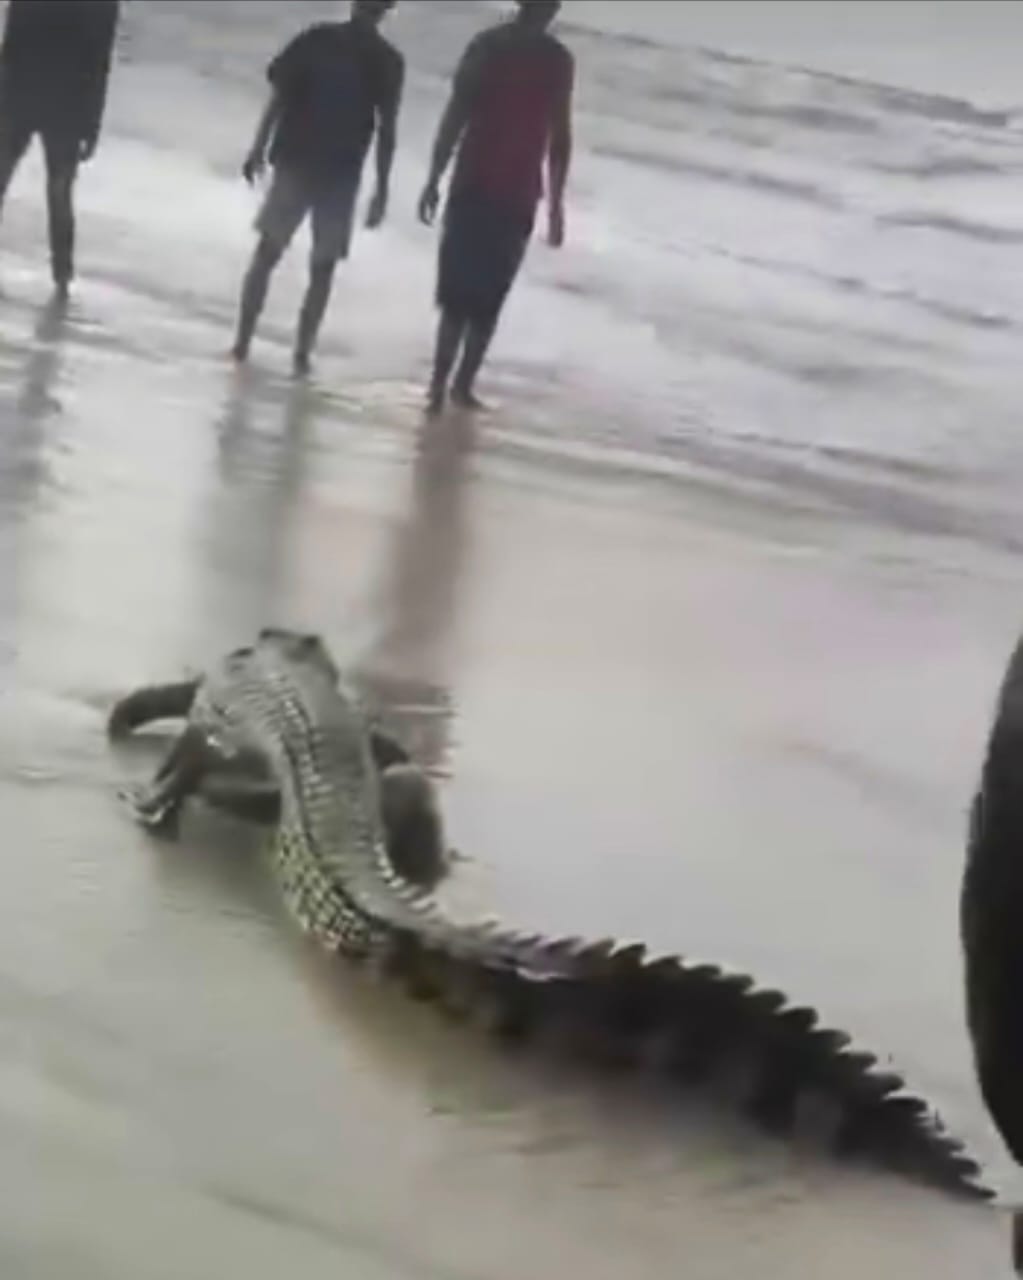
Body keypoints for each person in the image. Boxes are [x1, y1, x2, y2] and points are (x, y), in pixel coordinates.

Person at [418, 0, 573, 415]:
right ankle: (448, 387)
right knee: (471, 294)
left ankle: (451, 386)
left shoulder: (516, 52)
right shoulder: (511, 51)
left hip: (499, 189)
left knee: (477, 293)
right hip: (491, 188)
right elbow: (458, 113)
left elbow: (558, 136)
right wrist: (433, 176)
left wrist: (557, 204)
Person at [233, 0, 404, 376]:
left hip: (322, 167)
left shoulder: (339, 46)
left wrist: (382, 188)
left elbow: (387, 129)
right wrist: (257, 147)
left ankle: (277, 348)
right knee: (288, 258)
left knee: (294, 259)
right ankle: (269, 347)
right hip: (314, 166)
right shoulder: (361, 52)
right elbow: (280, 95)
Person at [0, 0, 120, 295]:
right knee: (59, 191)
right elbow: (99, 62)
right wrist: (92, 123)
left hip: (21, 93)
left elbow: (12, 40)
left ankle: (63, 276)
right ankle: (62, 277)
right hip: (66, 104)